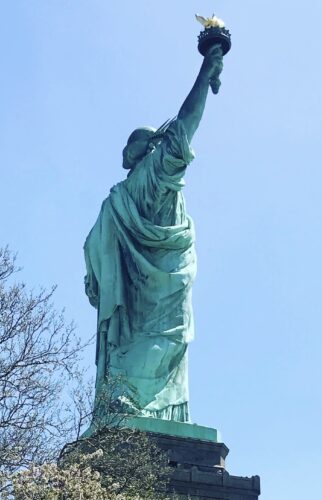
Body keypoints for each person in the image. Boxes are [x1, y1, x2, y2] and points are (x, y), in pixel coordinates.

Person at [84, 44, 225, 423]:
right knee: (164, 344)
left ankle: (131, 405)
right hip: (163, 289)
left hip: (135, 302)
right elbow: (185, 126)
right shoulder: (151, 176)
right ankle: (138, 408)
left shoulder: (116, 199)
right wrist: (205, 74)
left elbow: (91, 258)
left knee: (145, 349)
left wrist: (95, 279)